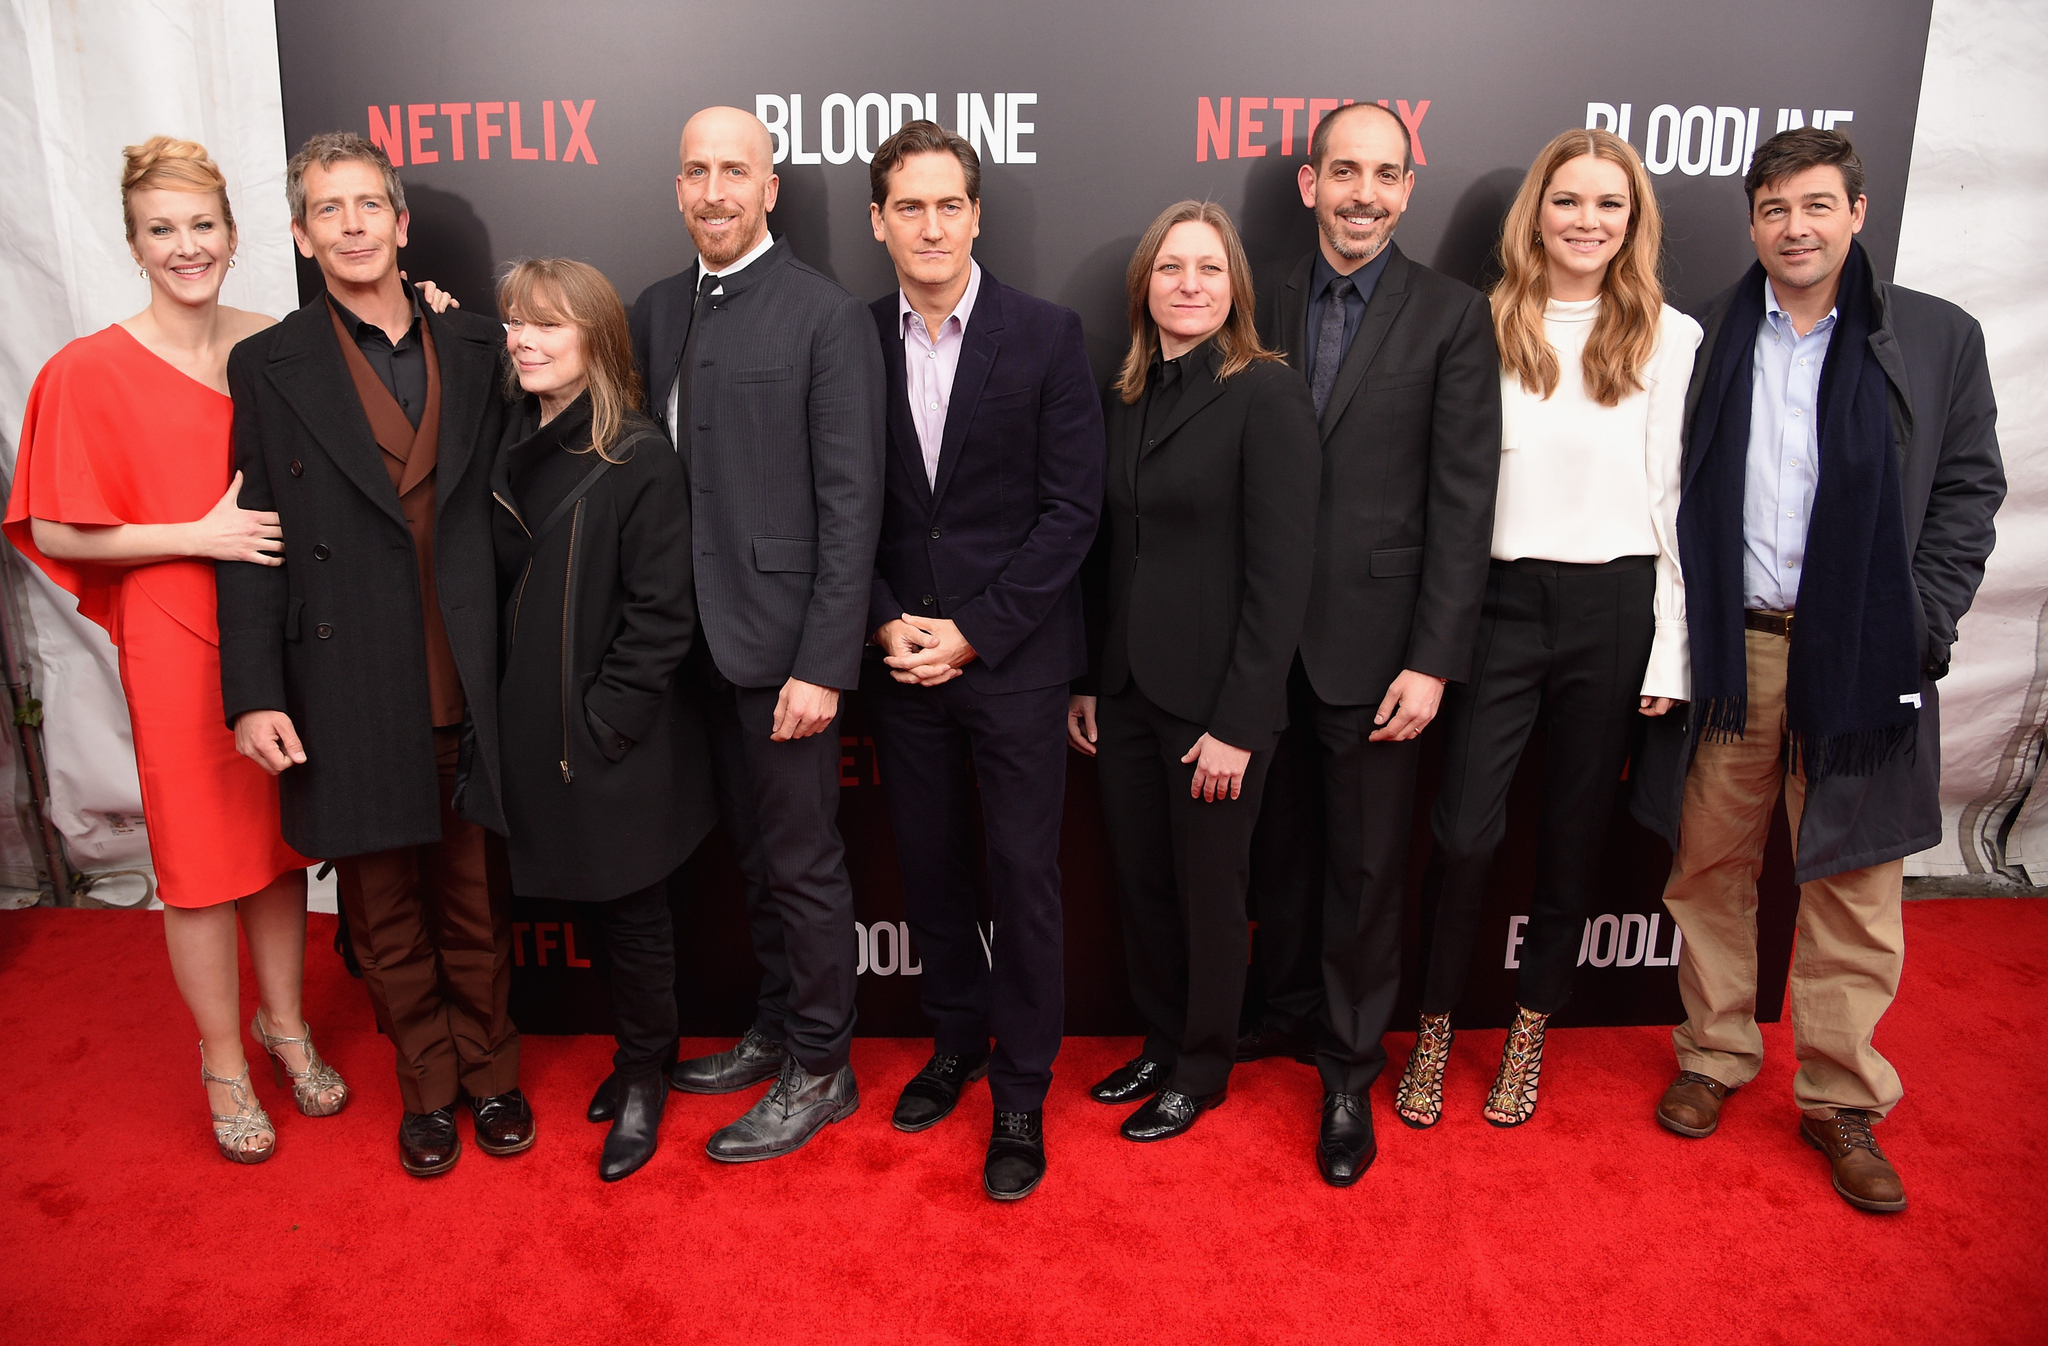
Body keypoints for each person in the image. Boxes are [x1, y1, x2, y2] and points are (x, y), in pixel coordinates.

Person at [1635, 128, 2003, 1213]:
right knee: (1708, 860)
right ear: (1751, 221)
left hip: (1861, 646)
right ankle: (1710, 1054)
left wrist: (1921, 620)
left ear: (1853, 212)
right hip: (1732, 643)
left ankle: (1840, 1095)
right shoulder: (1705, 335)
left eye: (1813, 206)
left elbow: (1965, 491)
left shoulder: (1933, 337)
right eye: (1772, 208)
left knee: (1852, 880)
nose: (1792, 227)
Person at [4, 136, 345, 1164]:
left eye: (203, 226)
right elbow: (50, 527)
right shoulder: (85, 370)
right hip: (170, 639)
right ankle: (221, 1060)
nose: (185, 246)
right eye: (163, 230)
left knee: (278, 850)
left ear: (235, 236)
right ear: (135, 243)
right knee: (199, 869)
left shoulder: (280, 343)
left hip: (280, 631)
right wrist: (194, 534)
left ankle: (283, 1026)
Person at [218, 132, 531, 1179]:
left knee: (475, 897)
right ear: (304, 237)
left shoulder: (482, 347)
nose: (350, 223)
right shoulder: (268, 365)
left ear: (400, 225)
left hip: (466, 668)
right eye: (326, 208)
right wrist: (254, 691)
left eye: (367, 204)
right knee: (381, 908)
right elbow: (253, 533)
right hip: (345, 678)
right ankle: (430, 1091)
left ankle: (491, 1078)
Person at [1389, 129, 1701, 1130]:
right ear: (1537, 212)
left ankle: (1529, 1029)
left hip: (1613, 607)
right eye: (1566, 200)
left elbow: (1673, 504)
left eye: (1607, 204)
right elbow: (1442, 494)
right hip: (1497, 605)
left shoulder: (1671, 336)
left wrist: (1671, 648)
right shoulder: (1476, 323)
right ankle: (1432, 1024)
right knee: (1463, 832)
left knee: (1570, 839)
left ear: (1632, 220)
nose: (1585, 222)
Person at [1248, 101, 1503, 1186]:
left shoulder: (1451, 317)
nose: (1362, 192)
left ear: (1408, 187)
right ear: (1309, 183)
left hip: (1379, 649)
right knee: (1277, 852)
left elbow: (1462, 499)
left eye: (1383, 174)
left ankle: (1349, 1069)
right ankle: (1279, 1013)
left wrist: (1432, 657)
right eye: (1341, 171)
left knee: (1363, 867)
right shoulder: (1246, 294)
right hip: (1254, 646)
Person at [627, 106, 884, 1163]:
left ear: (770, 187)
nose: (715, 191)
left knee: (801, 862)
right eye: (696, 171)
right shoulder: (651, 309)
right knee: (750, 857)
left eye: (735, 170)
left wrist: (823, 663)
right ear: (677, 187)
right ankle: (779, 1027)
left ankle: (823, 1064)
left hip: (783, 657)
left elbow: (850, 502)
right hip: (688, 652)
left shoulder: (822, 315)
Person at [860, 122, 1104, 1201]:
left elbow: (1069, 513)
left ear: (974, 214)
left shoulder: (1046, 336)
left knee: (1022, 875)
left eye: (946, 204)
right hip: (897, 659)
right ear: (878, 221)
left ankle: (1020, 1085)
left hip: (1008, 661)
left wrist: (973, 630)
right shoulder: (845, 337)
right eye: (907, 206)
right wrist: (881, 623)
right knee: (929, 866)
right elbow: (840, 510)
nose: (929, 224)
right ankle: (954, 1037)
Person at [1070, 200, 1319, 1147]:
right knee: (1143, 885)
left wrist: (1244, 721)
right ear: (1146, 284)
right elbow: (1113, 554)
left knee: (1212, 895)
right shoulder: (1127, 391)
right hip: (1129, 694)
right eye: (1172, 267)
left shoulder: (1266, 392)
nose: (1189, 284)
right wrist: (1092, 680)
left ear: (1235, 289)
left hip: (1218, 706)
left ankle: (1204, 1067)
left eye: (1209, 269)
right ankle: (1162, 1039)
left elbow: (1281, 573)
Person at [490, 259, 716, 1183]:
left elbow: (664, 613)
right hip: (525, 731)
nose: (525, 341)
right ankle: (634, 1058)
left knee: (631, 910)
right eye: (514, 324)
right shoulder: (501, 437)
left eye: (548, 326)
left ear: (596, 340)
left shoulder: (639, 456)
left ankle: (643, 1073)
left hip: (608, 739)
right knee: (587, 897)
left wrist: (603, 722)